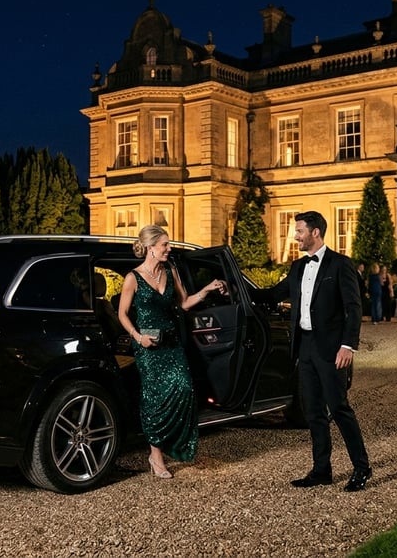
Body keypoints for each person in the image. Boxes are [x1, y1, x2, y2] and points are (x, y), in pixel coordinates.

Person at [253, 211, 371, 492]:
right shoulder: (297, 268)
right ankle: (321, 470)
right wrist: (230, 288)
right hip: (304, 348)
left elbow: (354, 308)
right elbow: (272, 294)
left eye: (300, 231)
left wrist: (347, 346)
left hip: (332, 350)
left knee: (339, 409)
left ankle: (362, 468)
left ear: (315, 232)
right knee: (314, 412)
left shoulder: (341, 265)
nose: (295, 236)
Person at [117, 225, 224, 479]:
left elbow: (184, 303)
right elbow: (122, 313)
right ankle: (156, 455)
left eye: (168, 244)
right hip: (147, 346)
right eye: (164, 244)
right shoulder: (132, 277)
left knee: (184, 388)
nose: (169, 248)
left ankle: (172, 442)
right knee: (154, 398)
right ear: (151, 247)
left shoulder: (171, 270)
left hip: (172, 343)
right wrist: (138, 337)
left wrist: (207, 289)